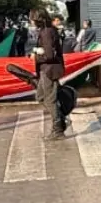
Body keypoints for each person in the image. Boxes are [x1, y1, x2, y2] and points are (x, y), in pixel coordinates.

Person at [32, 10, 66, 139]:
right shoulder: (48, 30)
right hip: (46, 69)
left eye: (32, 19)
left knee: (49, 99)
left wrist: (36, 56)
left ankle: (58, 129)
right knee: (40, 96)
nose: (31, 21)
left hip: (49, 70)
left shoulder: (46, 32)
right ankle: (60, 119)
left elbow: (49, 56)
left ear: (38, 19)